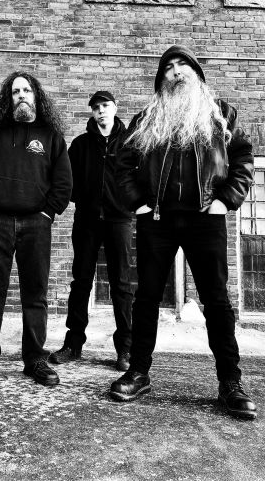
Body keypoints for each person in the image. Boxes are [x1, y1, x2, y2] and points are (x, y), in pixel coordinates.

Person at [110, 45, 257, 420]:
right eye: (168, 68)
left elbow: (243, 158)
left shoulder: (221, 114)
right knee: (146, 298)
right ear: (161, 79)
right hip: (157, 220)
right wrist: (137, 203)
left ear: (196, 73)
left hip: (206, 218)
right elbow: (122, 163)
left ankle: (230, 382)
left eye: (183, 65)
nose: (176, 72)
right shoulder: (148, 117)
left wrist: (227, 200)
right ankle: (138, 372)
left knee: (217, 301)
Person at [0, 72, 72, 386]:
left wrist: (47, 213)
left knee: (35, 294)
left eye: (26, 90)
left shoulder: (51, 137)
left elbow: (63, 183)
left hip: (36, 224)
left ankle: (35, 360)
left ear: (36, 96)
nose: (21, 95)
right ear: (10, 98)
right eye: (15, 91)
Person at [49, 91, 133, 371]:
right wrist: (86, 198)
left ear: (115, 108)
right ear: (92, 112)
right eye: (96, 107)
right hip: (86, 221)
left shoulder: (129, 143)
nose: (101, 111)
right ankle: (73, 344)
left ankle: (125, 349)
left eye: (105, 106)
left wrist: (126, 202)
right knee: (81, 281)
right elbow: (67, 180)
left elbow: (139, 177)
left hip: (119, 220)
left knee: (121, 284)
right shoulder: (81, 144)